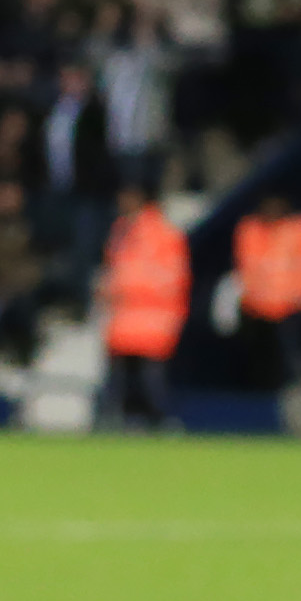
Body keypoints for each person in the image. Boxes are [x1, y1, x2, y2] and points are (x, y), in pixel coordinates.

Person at [99, 183, 189, 430]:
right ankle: (122, 422)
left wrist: (124, 289)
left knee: (151, 379)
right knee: (120, 378)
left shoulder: (164, 234)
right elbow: (115, 270)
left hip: (153, 318)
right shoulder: (120, 231)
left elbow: (171, 278)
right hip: (125, 318)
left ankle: (162, 422)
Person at [231, 192, 301, 392]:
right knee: (261, 356)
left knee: (293, 351)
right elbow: (248, 267)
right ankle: (264, 392)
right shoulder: (251, 229)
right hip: (258, 308)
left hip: (293, 306)